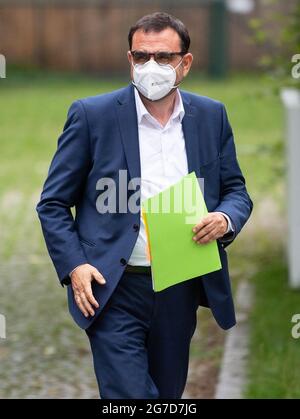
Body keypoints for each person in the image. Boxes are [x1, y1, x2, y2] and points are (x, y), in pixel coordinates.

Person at [36, 12, 253, 399]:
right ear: (130, 60)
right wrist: (74, 264)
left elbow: (237, 190)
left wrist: (224, 218)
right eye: (141, 56)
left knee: (167, 396)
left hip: (180, 284)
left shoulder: (211, 116)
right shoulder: (92, 115)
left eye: (164, 57)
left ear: (185, 63)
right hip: (113, 285)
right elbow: (52, 202)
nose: (152, 67)